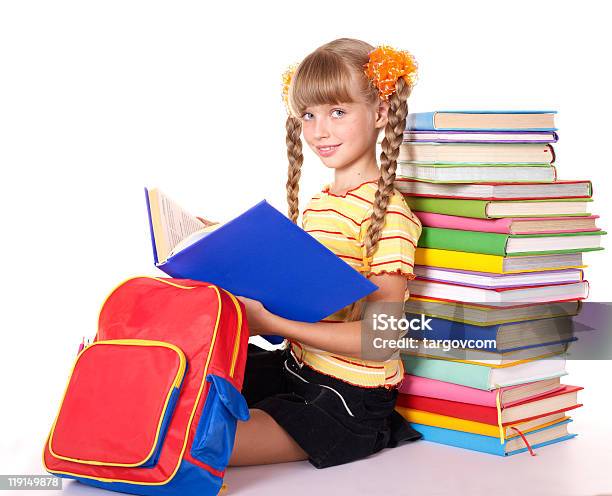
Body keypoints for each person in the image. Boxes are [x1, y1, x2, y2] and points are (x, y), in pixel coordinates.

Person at [230, 38, 424, 469]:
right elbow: (303, 295)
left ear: (380, 112)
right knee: (186, 376)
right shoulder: (321, 204)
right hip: (297, 369)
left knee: (199, 441)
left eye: (338, 112)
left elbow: (381, 339)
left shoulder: (388, 215)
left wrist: (275, 323)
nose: (319, 130)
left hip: (346, 401)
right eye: (309, 114)